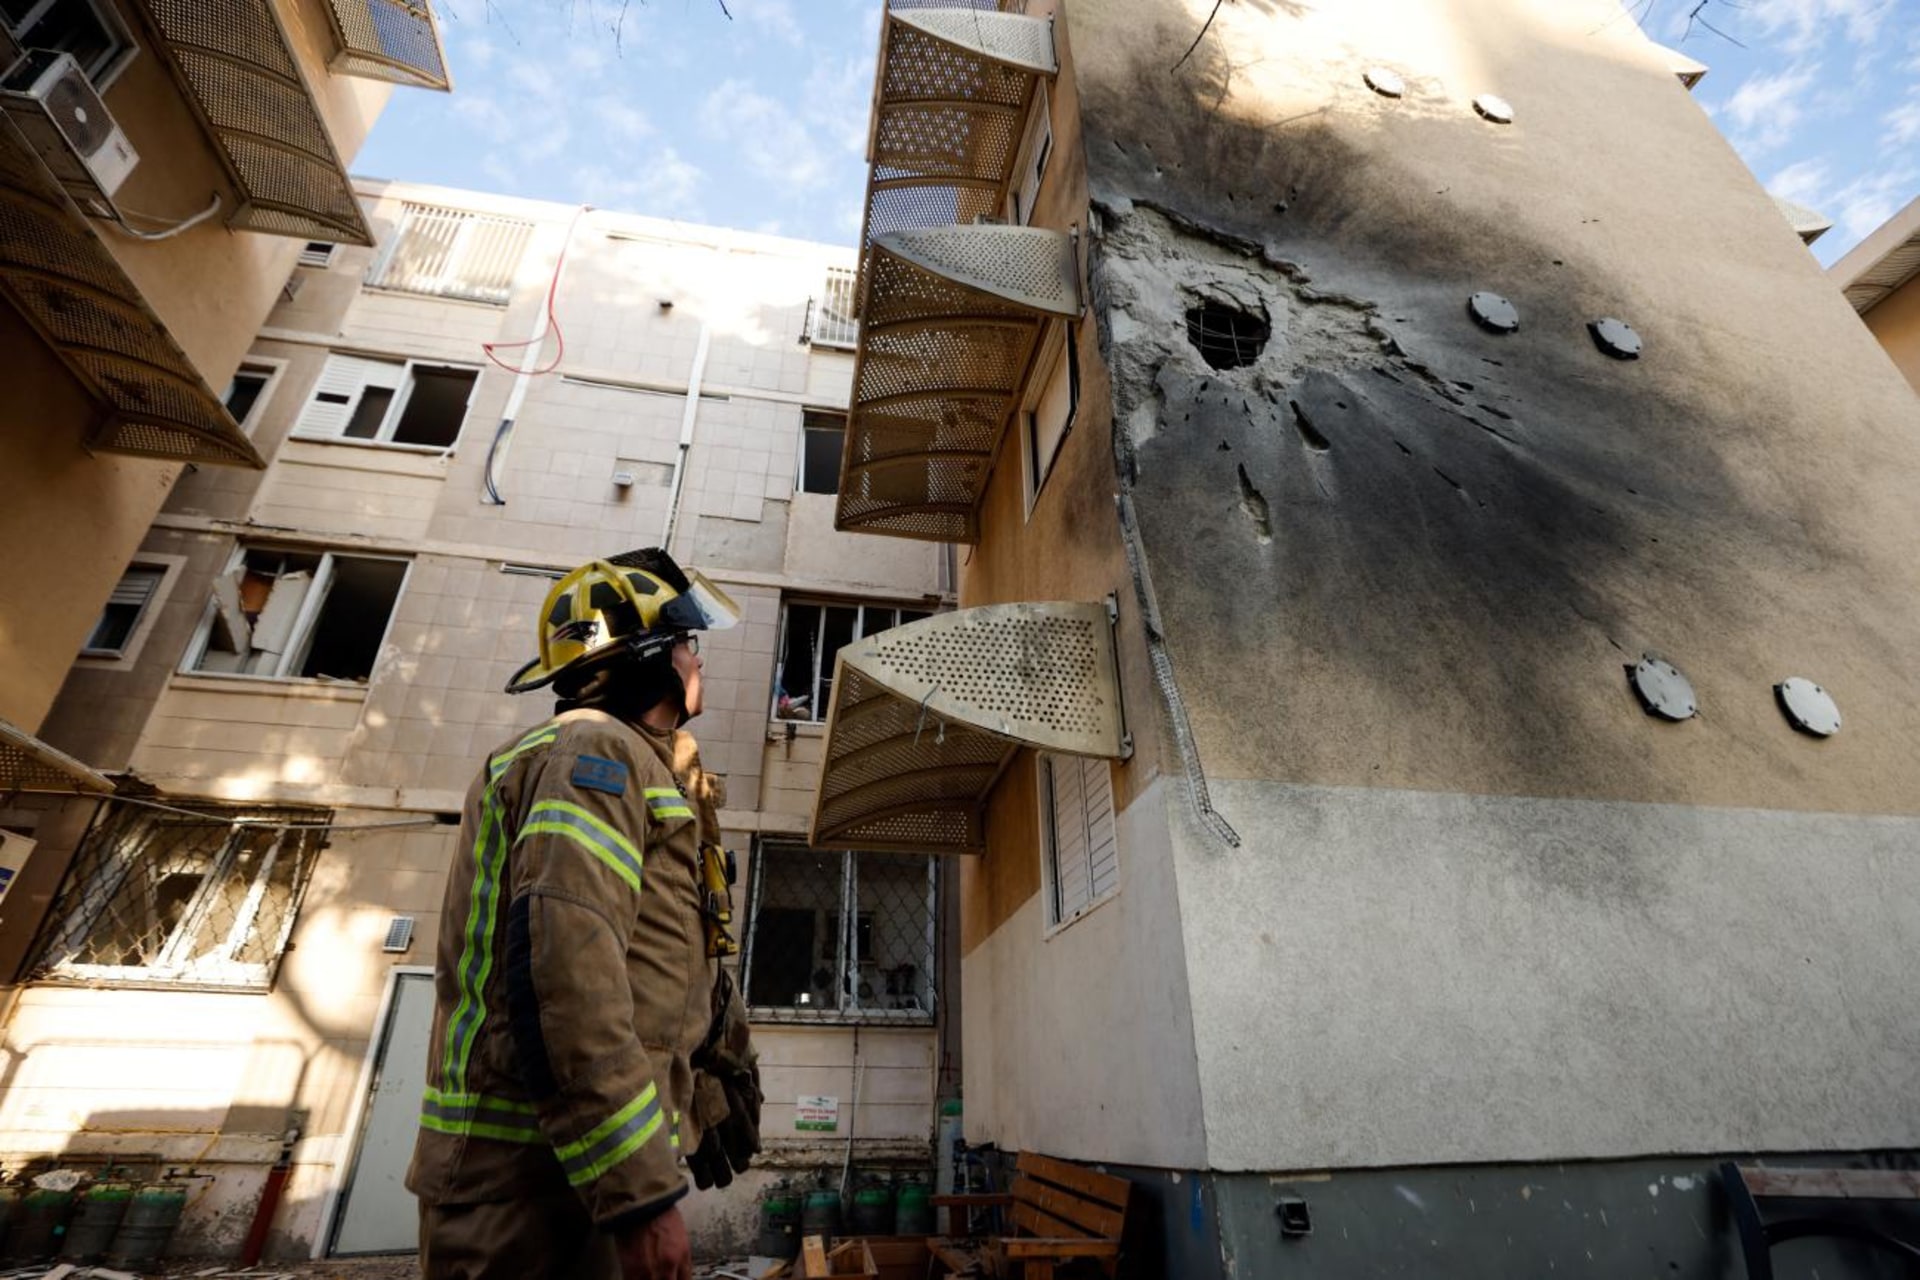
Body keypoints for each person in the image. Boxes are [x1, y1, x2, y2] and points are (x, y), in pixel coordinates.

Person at [408, 548, 762, 1280]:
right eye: (689, 642)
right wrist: (636, 1197)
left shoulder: (639, 763)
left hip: (572, 1177)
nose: (700, 660)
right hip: (533, 1192)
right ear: (651, 655)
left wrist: (714, 1072)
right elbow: (564, 974)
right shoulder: (591, 752)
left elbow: (655, 960)